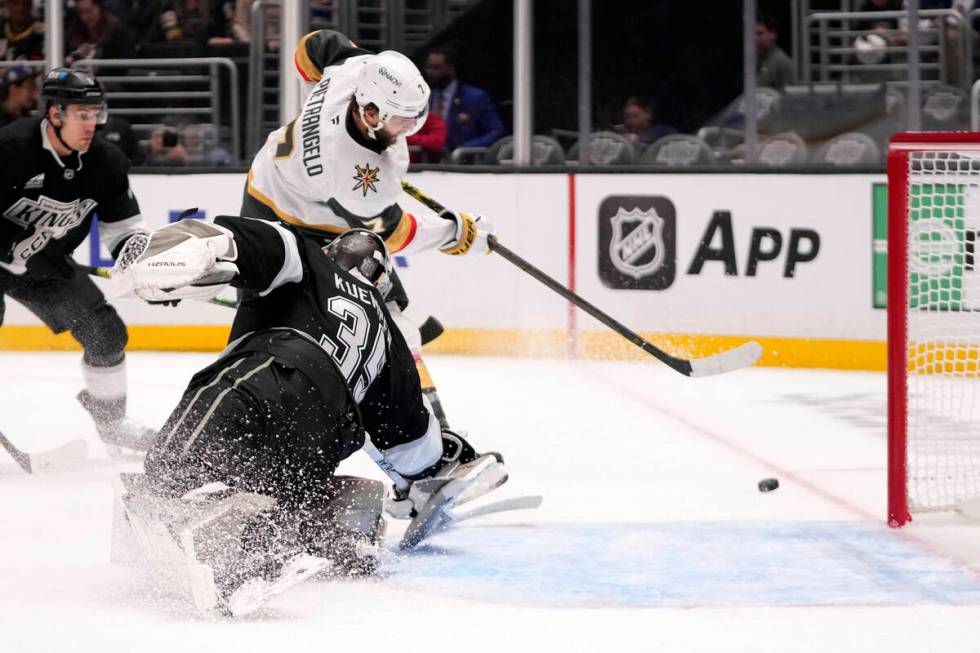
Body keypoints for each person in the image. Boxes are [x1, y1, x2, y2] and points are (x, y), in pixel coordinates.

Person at [110, 221, 507, 615]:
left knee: (171, 465)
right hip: (327, 433)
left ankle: (206, 536)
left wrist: (192, 255)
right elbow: (408, 440)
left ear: (333, 253)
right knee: (284, 489)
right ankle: (288, 541)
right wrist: (429, 473)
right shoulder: (391, 341)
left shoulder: (310, 260)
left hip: (267, 379)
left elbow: (260, 244)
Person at [243, 29, 499, 467]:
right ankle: (411, 466)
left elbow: (314, 45)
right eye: (402, 120)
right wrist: (457, 235)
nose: (409, 131)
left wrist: (313, 87)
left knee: (397, 324)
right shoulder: (351, 173)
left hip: (292, 194)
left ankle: (430, 445)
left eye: (415, 118)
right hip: (293, 222)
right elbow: (396, 233)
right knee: (360, 339)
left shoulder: (355, 71)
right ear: (370, 111)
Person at [0, 68, 154, 453]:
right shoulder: (9, 149)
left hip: (44, 265)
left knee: (107, 335)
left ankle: (112, 423)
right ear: (54, 115)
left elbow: (125, 229)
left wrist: (145, 267)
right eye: (81, 115)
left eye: (95, 114)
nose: (91, 125)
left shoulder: (106, 162)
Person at [424, 44, 507, 153]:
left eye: (436, 68)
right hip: (427, 161)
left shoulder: (475, 97)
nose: (430, 72)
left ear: (451, 69)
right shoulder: (424, 97)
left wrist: (466, 148)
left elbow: (496, 130)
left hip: (463, 161)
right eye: (428, 67)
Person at [65, 0, 137, 65]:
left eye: (89, 11)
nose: (85, 17)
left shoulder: (118, 31)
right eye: (81, 12)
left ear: (100, 8)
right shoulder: (73, 32)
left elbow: (125, 62)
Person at [756, 12, 796, 92]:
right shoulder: (761, 58)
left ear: (772, 34)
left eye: (759, 33)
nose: (755, 38)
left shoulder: (779, 61)